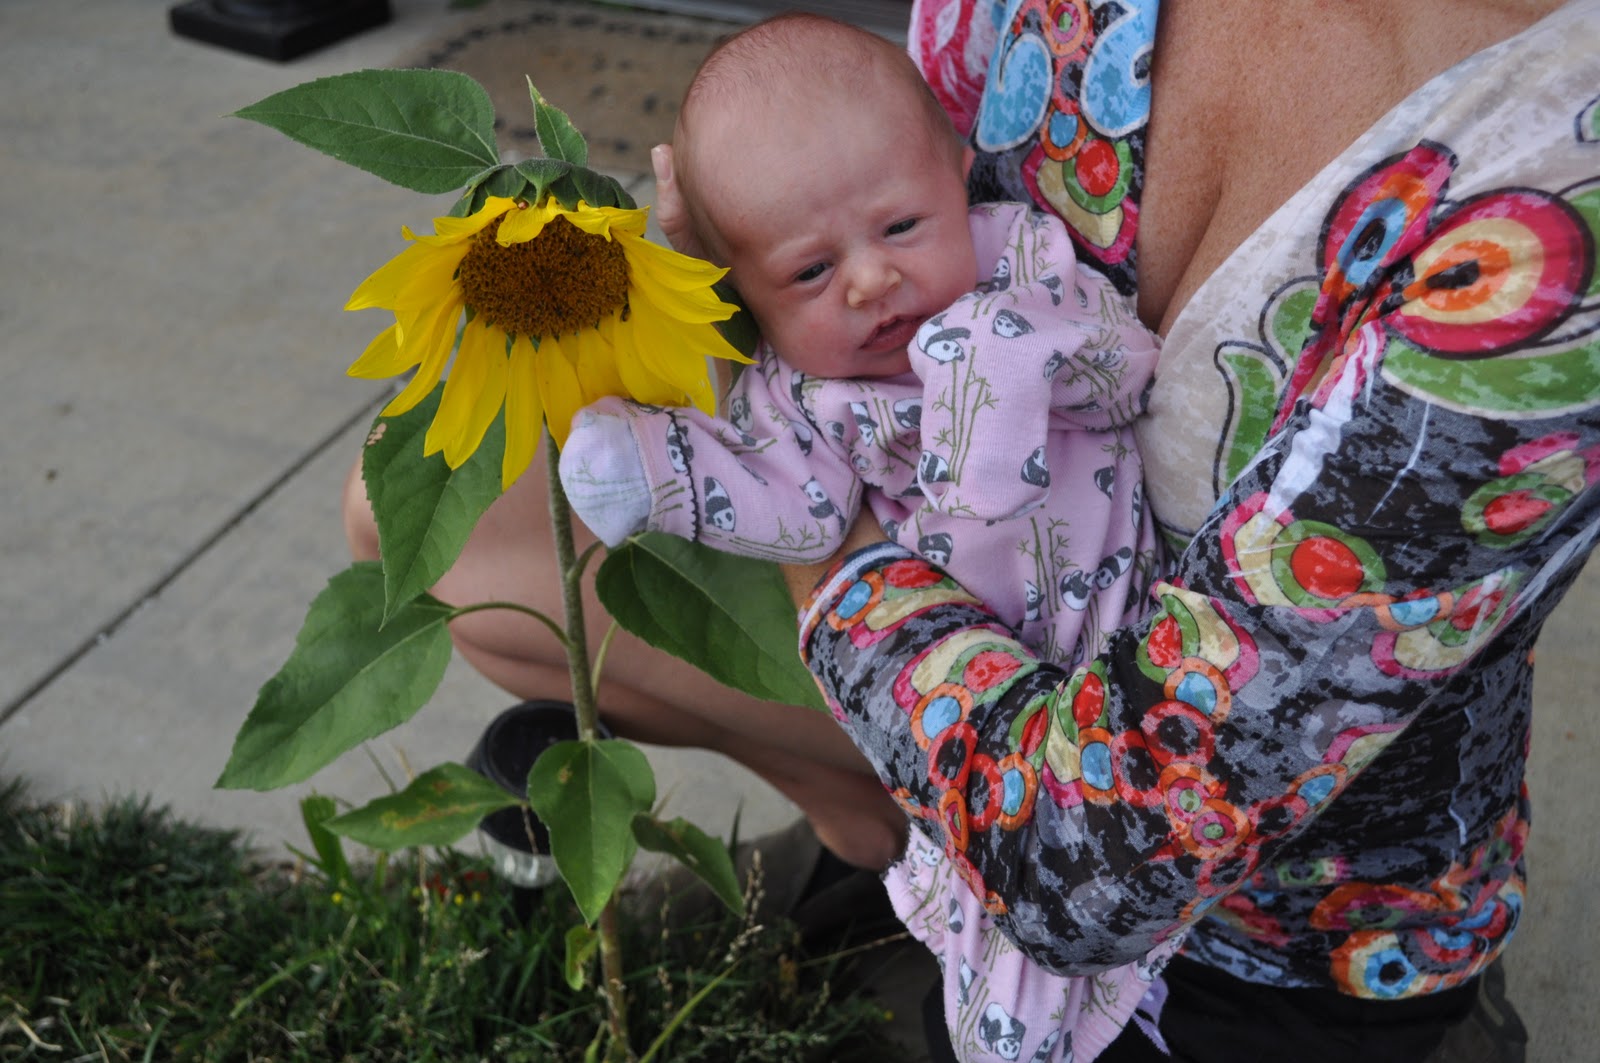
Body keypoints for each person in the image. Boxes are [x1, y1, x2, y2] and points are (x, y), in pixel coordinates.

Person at [339, 1, 1600, 1058]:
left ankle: (1420, 1029)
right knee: (457, 536)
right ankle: (875, 829)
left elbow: (1092, 864)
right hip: (965, 617)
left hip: (1247, 909)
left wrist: (807, 504)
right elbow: (870, 147)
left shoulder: (1555, 212)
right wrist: (738, 297)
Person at [553, 15, 1172, 1060]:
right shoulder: (805, 390)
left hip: (1118, 638)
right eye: (807, 273)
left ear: (956, 173)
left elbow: (1125, 370)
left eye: (900, 225)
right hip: (969, 680)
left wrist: (996, 354)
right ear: (744, 290)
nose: (870, 281)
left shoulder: (1019, 264)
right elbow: (797, 510)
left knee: (1096, 876)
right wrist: (664, 467)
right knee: (1004, 945)